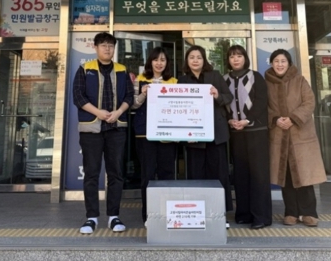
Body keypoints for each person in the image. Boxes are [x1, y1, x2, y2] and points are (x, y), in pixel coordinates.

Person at [73, 32, 134, 234]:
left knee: (116, 173)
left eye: (110, 45)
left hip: (116, 128)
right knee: (91, 173)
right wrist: (98, 113)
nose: (107, 49)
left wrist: (118, 112)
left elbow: (129, 96)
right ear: (96, 47)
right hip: (91, 129)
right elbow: (78, 97)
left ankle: (114, 216)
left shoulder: (122, 70)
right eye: (103, 45)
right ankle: (91, 217)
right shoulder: (85, 69)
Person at [265, 49, 327, 227]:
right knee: (286, 176)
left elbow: (309, 102)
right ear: (271, 63)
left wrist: (292, 118)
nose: (280, 64)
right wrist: (275, 119)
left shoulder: (299, 80)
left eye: (283, 61)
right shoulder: (266, 83)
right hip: (279, 134)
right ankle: (291, 212)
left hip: (300, 135)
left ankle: (309, 213)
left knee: (304, 174)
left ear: (289, 63)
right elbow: (262, 106)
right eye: (276, 61)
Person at [178, 45, 233, 225]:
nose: (195, 60)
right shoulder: (182, 80)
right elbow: (178, 108)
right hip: (193, 136)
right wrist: (184, 132)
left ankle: (220, 215)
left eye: (199, 57)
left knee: (219, 175)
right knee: (196, 175)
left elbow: (228, 97)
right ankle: (197, 215)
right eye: (192, 57)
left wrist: (217, 95)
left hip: (216, 134)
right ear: (187, 61)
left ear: (204, 60)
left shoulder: (215, 76)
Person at [224, 45, 272, 229]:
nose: (235, 59)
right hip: (236, 133)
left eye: (239, 56)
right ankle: (243, 213)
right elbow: (223, 104)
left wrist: (247, 120)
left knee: (259, 174)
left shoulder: (255, 76)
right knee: (240, 174)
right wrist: (229, 120)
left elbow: (261, 101)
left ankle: (261, 216)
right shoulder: (225, 79)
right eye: (232, 56)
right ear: (228, 60)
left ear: (245, 58)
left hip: (256, 132)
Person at [133, 47, 178, 223]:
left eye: (163, 60)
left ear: (167, 63)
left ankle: (168, 214)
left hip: (167, 134)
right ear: (150, 62)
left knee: (167, 174)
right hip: (145, 134)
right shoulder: (140, 80)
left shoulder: (174, 82)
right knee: (147, 174)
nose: (159, 63)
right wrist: (143, 94)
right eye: (156, 59)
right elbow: (133, 105)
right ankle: (149, 216)